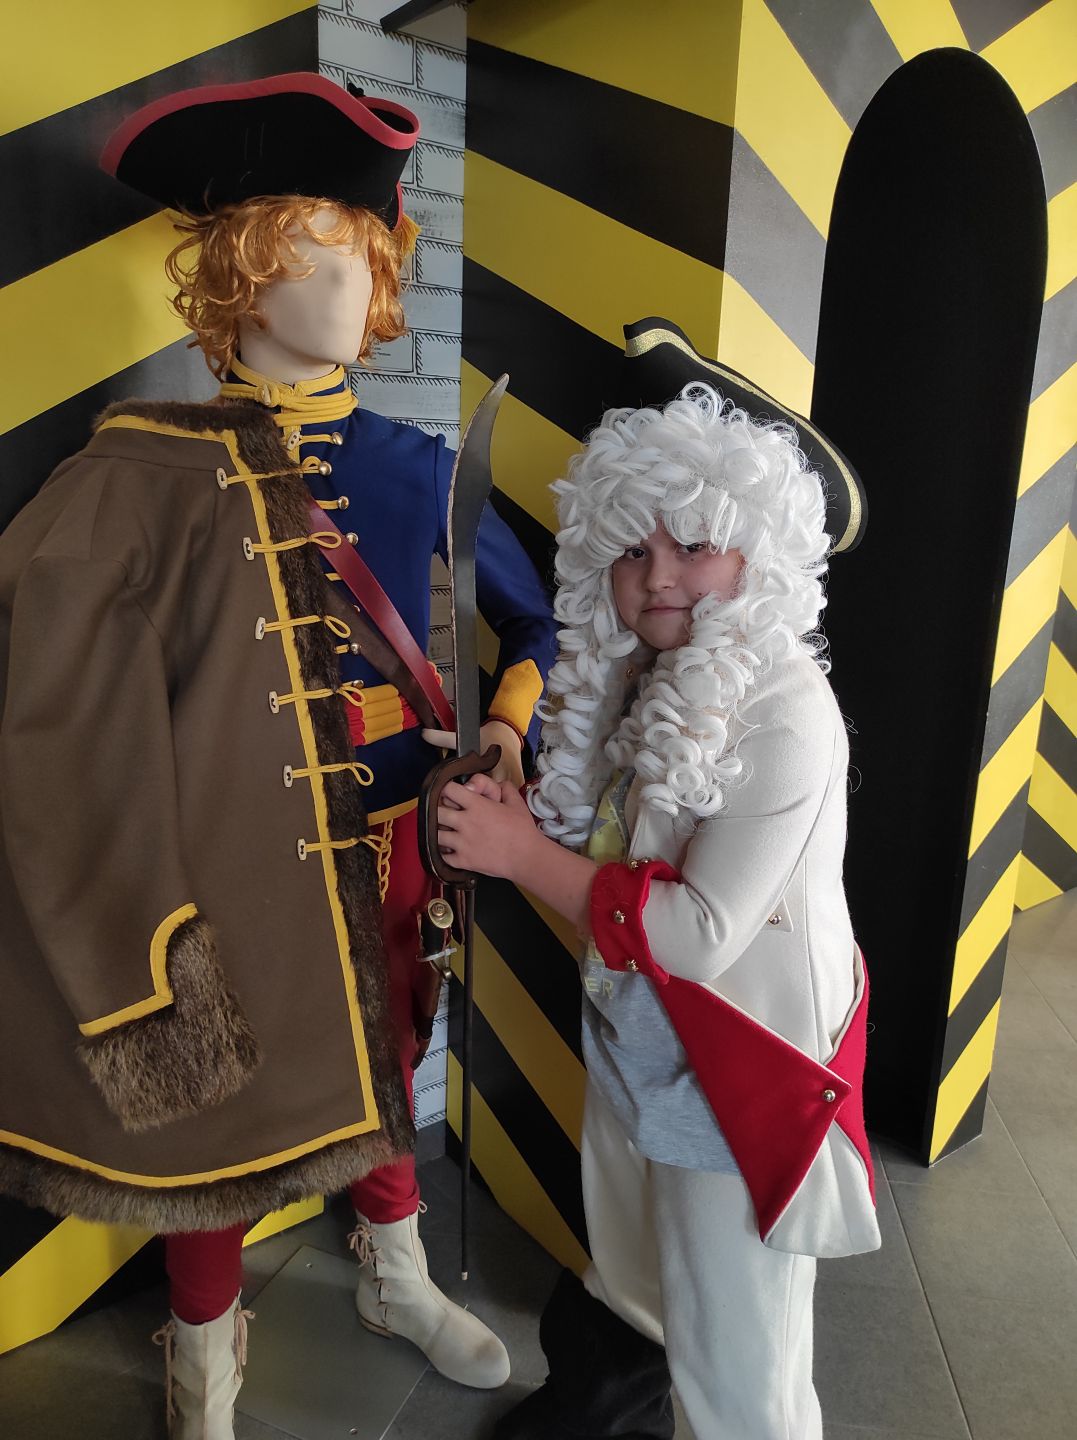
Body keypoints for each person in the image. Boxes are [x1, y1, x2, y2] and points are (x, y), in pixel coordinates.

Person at [0, 74, 556, 1440]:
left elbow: (534, 619)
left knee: (386, 1061)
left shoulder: (417, 469)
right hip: (233, 858)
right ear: (245, 269)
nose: (352, 280)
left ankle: (395, 1273)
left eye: (362, 253)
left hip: (395, 848)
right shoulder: (142, 471)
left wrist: (503, 727)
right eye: (316, 249)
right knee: (218, 1107)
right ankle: (203, 1343)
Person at [435, 353, 881, 1440]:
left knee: (742, 1372)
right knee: (640, 1291)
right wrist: (519, 803)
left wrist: (517, 855)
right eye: (633, 549)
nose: (660, 575)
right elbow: (610, 845)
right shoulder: (647, 674)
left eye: (695, 544)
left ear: (757, 549)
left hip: (740, 1073)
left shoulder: (786, 711)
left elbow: (690, 933)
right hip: (641, 1047)